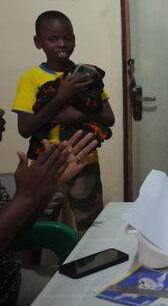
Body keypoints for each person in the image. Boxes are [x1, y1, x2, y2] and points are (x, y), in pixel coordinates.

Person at [12, 10, 115, 232]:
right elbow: (25, 129)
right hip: (45, 163)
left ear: (75, 39)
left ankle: (89, 265)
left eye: (68, 37)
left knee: (88, 223)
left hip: (84, 160)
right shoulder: (31, 78)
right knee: (38, 224)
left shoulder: (88, 75)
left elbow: (109, 118)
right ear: (38, 42)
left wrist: (77, 116)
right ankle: (31, 268)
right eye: (53, 39)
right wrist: (60, 97)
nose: (62, 44)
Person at [0, 106, 98, 305]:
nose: (2, 112)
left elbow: (12, 235)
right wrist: (24, 197)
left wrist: (47, 189)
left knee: (96, 289)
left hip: (10, 280)